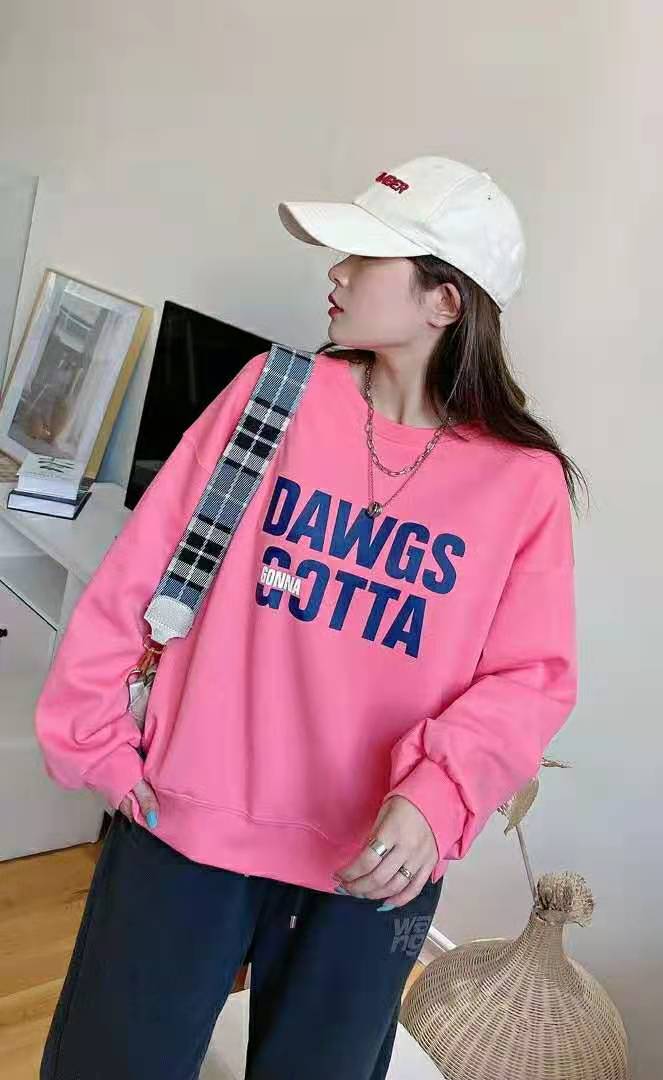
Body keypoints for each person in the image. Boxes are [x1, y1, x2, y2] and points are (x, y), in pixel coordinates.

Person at [35, 155, 586, 1079]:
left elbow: (531, 678)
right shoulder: (274, 394)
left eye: (364, 257)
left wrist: (439, 795)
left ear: (445, 301)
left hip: (373, 861)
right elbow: (144, 569)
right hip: (187, 821)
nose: (336, 272)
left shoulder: (522, 483)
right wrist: (94, 736)